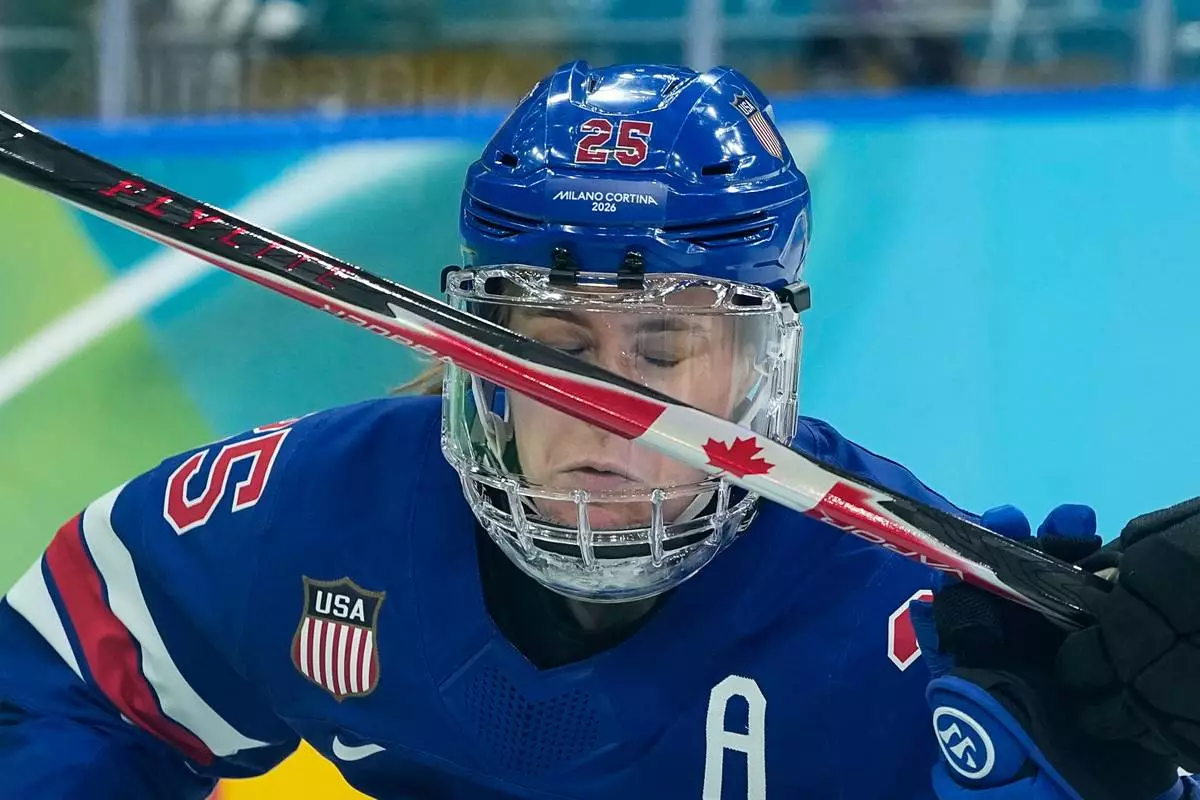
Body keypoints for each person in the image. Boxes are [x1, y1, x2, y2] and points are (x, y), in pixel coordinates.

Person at [0, 61, 1197, 800]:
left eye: (666, 352)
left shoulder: (908, 634)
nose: (605, 410)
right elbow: (66, 677)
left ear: (766, 364)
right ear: (476, 351)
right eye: (553, 347)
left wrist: (1100, 762)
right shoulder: (318, 512)